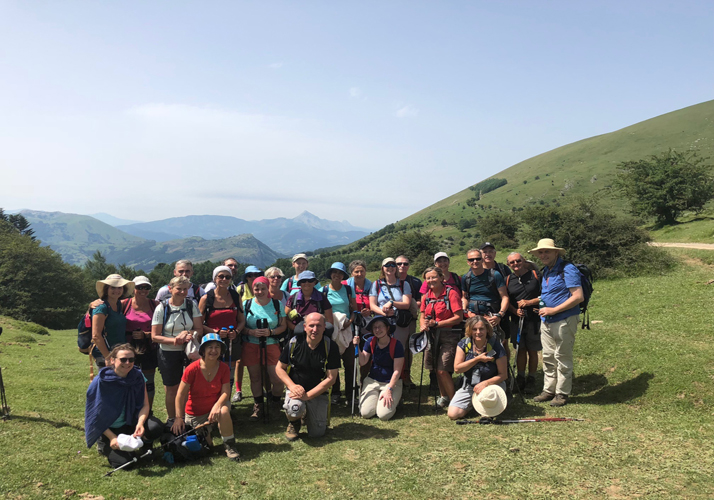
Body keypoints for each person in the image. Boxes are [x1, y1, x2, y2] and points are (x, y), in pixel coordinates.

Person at [85, 344, 164, 469]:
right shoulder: (101, 381)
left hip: (131, 423)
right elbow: (95, 415)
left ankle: (145, 446)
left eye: (131, 360)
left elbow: (144, 405)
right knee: (124, 464)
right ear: (112, 360)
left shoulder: (138, 376)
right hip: (109, 428)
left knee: (156, 427)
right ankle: (104, 443)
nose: (127, 363)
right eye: (123, 359)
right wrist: (112, 438)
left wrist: (140, 423)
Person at [530, 239, 583, 407]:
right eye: (541, 252)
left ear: (556, 252)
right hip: (546, 320)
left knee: (562, 356)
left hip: (564, 319)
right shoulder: (546, 270)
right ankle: (549, 390)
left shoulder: (567, 269)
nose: (543, 255)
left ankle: (562, 393)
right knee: (548, 356)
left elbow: (578, 296)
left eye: (547, 251)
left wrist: (554, 310)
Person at [171, 334, 240, 461]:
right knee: (207, 447)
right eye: (210, 347)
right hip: (195, 413)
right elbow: (180, 395)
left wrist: (217, 406)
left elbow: (226, 392)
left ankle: (229, 445)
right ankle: (208, 433)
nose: (214, 351)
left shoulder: (224, 368)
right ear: (202, 350)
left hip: (215, 408)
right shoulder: (192, 369)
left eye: (217, 347)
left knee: (224, 410)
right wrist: (178, 418)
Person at [275, 313, 340, 441]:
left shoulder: (331, 347)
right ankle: (294, 422)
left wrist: (308, 396)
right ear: (304, 327)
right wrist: (292, 386)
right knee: (295, 409)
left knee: (317, 433)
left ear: (324, 327)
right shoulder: (294, 343)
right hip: (296, 390)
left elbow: (331, 378)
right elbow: (279, 368)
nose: (315, 330)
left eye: (318, 326)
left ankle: (307, 413)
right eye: (311, 326)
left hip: (318, 393)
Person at [151, 276, 207, 419]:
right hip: (168, 353)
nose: (182, 292)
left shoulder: (190, 305)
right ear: (170, 289)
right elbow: (155, 336)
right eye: (179, 289)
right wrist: (175, 340)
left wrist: (189, 333)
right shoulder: (161, 308)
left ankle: (190, 418)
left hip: (189, 352)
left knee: (191, 387)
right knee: (172, 389)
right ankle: (173, 420)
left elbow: (199, 329)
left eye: (185, 289)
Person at [242, 276, 287, 420]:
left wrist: (271, 332)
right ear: (252, 289)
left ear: (268, 288)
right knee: (255, 378)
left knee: (278, 379)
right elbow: (241, 326)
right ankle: (258, 406)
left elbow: (283, 326)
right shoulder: (246, 304)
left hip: (271, 344)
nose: (260, 291)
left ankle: (275, 402)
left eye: (263, 288)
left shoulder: (276, 304)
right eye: (256, 288)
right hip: (251, 344)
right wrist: (251, 332)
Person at [420, 266, 464, 408]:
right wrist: (423, 325)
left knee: (443, 369)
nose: (431, 280)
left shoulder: (451, 293)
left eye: (434, 277)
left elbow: (458, 317)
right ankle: (444, 396)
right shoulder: (426, 296)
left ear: (441, 277)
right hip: (431, 336)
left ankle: (454, 401)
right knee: (435, 368)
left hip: (449, 335)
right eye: (428, 278)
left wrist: (438, 323)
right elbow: (421, 315)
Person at [447, 316, 508, 420]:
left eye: (481, 329)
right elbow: (457, 369)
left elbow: (503, 375)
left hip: (492, 385)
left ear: (487, 330)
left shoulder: (496, 346)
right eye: (474, 329)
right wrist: (477, 359)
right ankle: (473, 403)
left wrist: (485, 383)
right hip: (470, 385)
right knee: (453, 414)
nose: (478, 332)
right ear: (470, 330)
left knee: (488, 415)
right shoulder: (463, 344)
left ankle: (483, 404)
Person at [198, 266, 244, 402]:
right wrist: (215, 332)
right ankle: (211, 403)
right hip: (212, 342)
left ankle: (227, 405)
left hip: (231, 341)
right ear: (215, 278)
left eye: (227, 277)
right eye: (221, 276)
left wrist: (236, 332)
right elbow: (199, 323)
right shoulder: (207, 298)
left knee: (228, 373)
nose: (224, 279)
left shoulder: (236, 297)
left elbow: (242, 320)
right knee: (212, 372)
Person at [353, 316, 404, 421]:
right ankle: (380, 399)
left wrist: (389, 389)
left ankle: (395, 399)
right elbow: (363, 362)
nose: (377, 330)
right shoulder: (371, 341)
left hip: (390, 383)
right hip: (372, 381)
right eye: (375, 327)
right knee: (365, 413)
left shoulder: (397, 345)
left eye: (380, 327)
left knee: (383, 415)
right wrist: (358, 347)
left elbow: (397, 371)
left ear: (387, 328)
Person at [505, 252, 542, 393]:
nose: (515, 264)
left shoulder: (536, 275)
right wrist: (514, 311)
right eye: (512, 262)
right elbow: (505, 299)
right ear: (508, 265)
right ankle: (520, 378)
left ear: (523, 261)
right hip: (516, 320)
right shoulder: (508, 279)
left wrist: (529, 302)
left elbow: (545, 295)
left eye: (518, 261)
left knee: (533, 350)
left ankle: (531, 378)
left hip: (534, 318)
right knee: (520, 349)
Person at [322, 262, 358, 405]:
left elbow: (354, 310)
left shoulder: (348, 289)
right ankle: (335, 392)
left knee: (350, 363)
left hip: (347, 330)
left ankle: (351, 394)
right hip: (330, 331)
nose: (337, 275)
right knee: (333, 363)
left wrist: (348, 323)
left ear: (343, 275)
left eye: (340, 273)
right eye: (334, 272)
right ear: (330, 274)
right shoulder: (323, 290)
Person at [121, 276, 160, 408]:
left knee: (148, 382)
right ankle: (129, 410)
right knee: (127, 380)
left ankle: (147, 411)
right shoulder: (123, 305)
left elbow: (163, 327)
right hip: (127, 349)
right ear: (133, 289)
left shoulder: (155, 305)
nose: (143, 290)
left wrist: (147, 335)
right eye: (139, 287)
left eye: (147, 287)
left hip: (149, 348)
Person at [369, 258, 413, 364]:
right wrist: (384, 313)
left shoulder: (404, 284)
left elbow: (406, 304)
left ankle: (400, 376)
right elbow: (372, 305)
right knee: (381, 347)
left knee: (399, 348)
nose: (390, 268)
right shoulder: (376, 284)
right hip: (381, 321)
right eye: (387, 265)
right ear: (382, 268)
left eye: (393, 265)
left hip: (398, 321)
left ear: (396, 268)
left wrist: (392, 303)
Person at [91, 274, 134, 367]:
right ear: (106, 289)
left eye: (120, 287)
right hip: (106, 353)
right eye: (113, 288)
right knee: (109, 380)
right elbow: (96, 335)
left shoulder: (118, 304)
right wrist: (108, 357)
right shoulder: (101, 307)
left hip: (119, 352)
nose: (117, 290)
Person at [395, 255, 422, 388]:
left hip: (409, 320)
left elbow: (421, 300)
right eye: (399, 264)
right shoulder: (387, 281)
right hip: (392, 320)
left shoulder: (415, 282)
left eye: (405, 264)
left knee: (407, 348)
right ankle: (395, 376)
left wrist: (411, 303)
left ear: (409, 266)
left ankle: (406, 376)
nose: (402, 266)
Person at [347, 259, 374, 382]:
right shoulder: (345, 286)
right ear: (351, 273)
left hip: (367, 325)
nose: (359, 274)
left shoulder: (372, 286)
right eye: (356, 271)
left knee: (367, 352)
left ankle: (364, 379)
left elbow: (376, 303)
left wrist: (370, 311)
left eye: (362, 271)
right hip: (350, 325)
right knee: (352, 355)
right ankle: (353, 381)